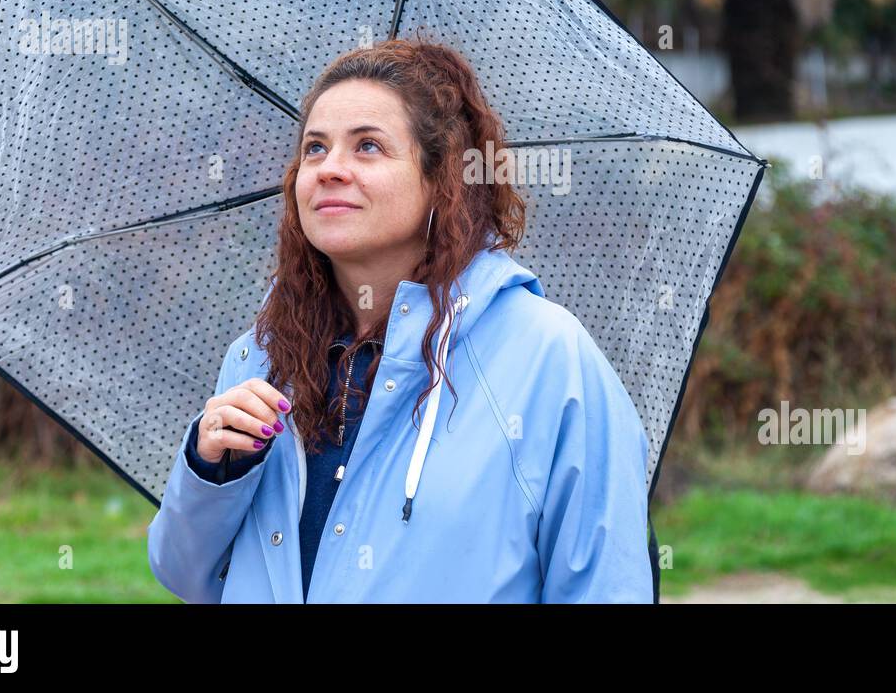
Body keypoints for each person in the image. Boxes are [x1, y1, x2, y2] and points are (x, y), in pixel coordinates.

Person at [147, 34, 653, 603]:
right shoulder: (260, 357)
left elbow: (609, 586)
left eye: (367, 147)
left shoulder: (545, 356)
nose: (330, 169)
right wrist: (213, 473)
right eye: (315, 148)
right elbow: (187, 575)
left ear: (441, 181)